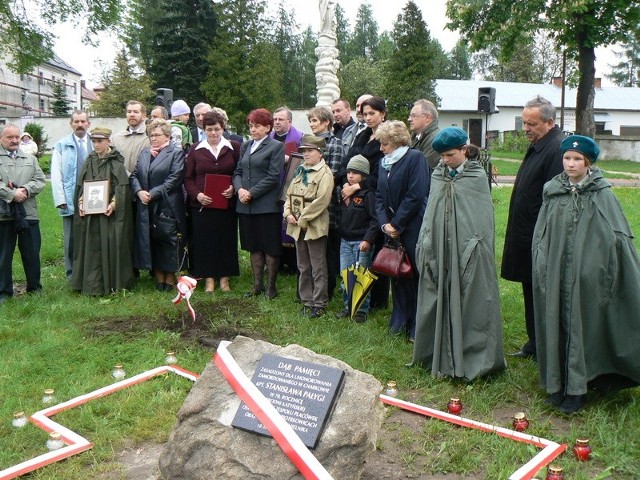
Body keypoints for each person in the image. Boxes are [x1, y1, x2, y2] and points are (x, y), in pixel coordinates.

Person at [532, 135, 640, 413]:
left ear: (588, 162)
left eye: (577, 159)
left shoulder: (602, 194)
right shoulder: (552, 191)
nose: (570, 164)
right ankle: (558, 385)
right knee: (558, 322)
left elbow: (615, 237)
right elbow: (543, 232)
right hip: (557, 270)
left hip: (588, 274)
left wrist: (597, 267)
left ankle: (579, 390)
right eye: (567, 158)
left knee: (582, 327)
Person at [411, 127, 506, 380]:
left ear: (465, 150)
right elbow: (432, 211)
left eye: (450, 155)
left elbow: (481, 219)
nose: (445, 160)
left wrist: (473, 248)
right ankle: (435, 354)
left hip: (469, 251)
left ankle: (473, 357)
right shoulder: (438, 176)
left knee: (472, 299)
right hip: (439, 249)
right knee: (436, 295)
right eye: (441, 156)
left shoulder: (476, 177)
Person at [501, 96, 564, 359]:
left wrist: (542, 235)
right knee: (530, 287)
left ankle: (547, 346)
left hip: (540, 235)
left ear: (549, 122)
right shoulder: (540, 143)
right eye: (524, 122)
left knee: (543, 292)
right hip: (527, 231)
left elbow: (553, 200)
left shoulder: (557, 149)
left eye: (532, 123)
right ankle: (535, 343)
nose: (525, 128)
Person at [374, 120, 429, 339]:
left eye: (385, 143)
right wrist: (384, 223)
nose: (381, 148)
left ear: (397, 141)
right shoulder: (384, 162)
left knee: (413, 274)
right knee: (397, 273)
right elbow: (379, 196)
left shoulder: (415, 158)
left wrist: (397, 224)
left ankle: (417, 325)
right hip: (391, 228)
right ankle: (400, 319)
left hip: (412, 226)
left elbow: (416, 194)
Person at [72, 127, 134, 295]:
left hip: (109, 215)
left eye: (100, 141)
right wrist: (81, 202)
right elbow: (82, 186)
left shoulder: (116, 163)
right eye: (94, 141)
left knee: (110, 245)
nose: (96, 145)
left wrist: (114, 204)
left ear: (108, 141)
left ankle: (112, 284)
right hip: (92, 214)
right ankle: (92, 285)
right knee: (91, 245)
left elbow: (122, 189)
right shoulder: (89, 161)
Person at [184, 111, 240, 293]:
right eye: (209, 129)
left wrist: (233, 187)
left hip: (226, 205)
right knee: (205, 242)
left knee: (226, 240)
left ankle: (224, 279)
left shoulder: (234, 147)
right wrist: (197, 195)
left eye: (217, 129)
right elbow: (188, 178)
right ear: (204, 130)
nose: (214, 133)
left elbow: (240, 173)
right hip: (202, 206)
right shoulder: (195, 149)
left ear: (223, 128)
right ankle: (208, 279)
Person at [233, 108, 285, 299]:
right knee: (253, 245)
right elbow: (237, 171)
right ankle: (257, 285)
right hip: (246, 205)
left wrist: (252, 193)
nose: (253, 129)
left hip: (266, 205)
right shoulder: (246, 146)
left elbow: (273, 177)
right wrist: (240, 190)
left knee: (269, 246)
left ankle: (271, 287)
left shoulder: (276, 146)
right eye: (251, 125)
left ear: (268, 127)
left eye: (257, 126)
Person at [130, 119, 186, 292]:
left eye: (157, 135)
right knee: (152, 239)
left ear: (167, 136)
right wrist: (139, 192)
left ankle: (170, 277)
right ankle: (158, 275)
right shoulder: (145, 153)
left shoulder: (176, 152)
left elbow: (174, 179)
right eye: (151, 135)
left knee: (168, 240)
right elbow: (134, 175)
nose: (153, 138)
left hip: (167, 203)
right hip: (146, 204)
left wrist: (153, 194)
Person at [343, 95, 388, 309]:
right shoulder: (362, 136)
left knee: (376, 248)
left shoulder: (387, 136)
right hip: (355, 197)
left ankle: (376, 299)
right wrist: (347, 182)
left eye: (373, 113)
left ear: (383, 114)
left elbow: (383, 173)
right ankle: (353, 295)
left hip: (375, 196)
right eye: (365, 113)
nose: (368, 117)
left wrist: (358, 186)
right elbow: (349, 162)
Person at [283, 135, 334, 318]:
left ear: (320, 153)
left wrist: (303, 218)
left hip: (314, 225)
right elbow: (288, 194)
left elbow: (322, 201)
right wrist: (287, 213)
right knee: (303, 265)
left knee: (317, 266)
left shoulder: (325, 173)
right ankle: (306, 300)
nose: (306, 154)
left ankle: (319, 302)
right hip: (296, 225)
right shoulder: (300, 171)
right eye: (304, 151)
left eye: (310, 151)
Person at [0, 124, 46, 304]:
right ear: (1, 139)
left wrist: (25, 190)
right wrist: (11, 194)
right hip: (3, 215)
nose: (14, 140)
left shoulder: (30, 158)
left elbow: (40, 180)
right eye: (9, 137)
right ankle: (4, 292)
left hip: (28, 213)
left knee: (32, 252)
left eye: (17, 137)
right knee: (4, 255)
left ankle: (34, 289)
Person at [308, 106, 345, 298]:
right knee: (311, 249)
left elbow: (335, 173)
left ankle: (327, 291)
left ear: (326, 122)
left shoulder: (335, 144)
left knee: (327, 250)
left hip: (327, 204)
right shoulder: (307, 143)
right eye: (311, 121)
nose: (312, 125)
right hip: (308, 204)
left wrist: (314, 185)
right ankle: (312, 288)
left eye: (315, 121)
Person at [51, 110, 92, 281]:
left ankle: (89, 271)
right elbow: (56, 174)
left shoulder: (94, 143)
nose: (80, 125)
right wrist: (61, 199)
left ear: (88, 123)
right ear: (71, 124)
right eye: (76, 121)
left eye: (83, 121)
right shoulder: (62, 145)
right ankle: (71, 274)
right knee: (71, 239)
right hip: (70, 196)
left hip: (93, 198)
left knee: (91, 236)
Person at [337, 155, 378, 323]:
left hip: (361, 242)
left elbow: (375, 220)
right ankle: (348, 306)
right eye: (349, 172)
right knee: (346, 274)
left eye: (355, 173)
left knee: (361, 275)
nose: (350, 176)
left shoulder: (367, 194)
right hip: (345, 241)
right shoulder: (345, 192)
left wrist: (368, 240)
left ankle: (361, 309)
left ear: (364, 175)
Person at [112, 100, 151, 174]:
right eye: (129, 112)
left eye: (136, 112)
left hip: (142, 183)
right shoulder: (116, 139)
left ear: (144, 116)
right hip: (121, 182)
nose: (132, 115)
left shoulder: (150, 137)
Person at [408, 99, 440, 170]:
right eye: (410, 116)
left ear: (427, 118)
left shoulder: (436, 140)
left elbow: (423, 169)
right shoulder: (415, 137)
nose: (409, 119)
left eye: (413, 116)